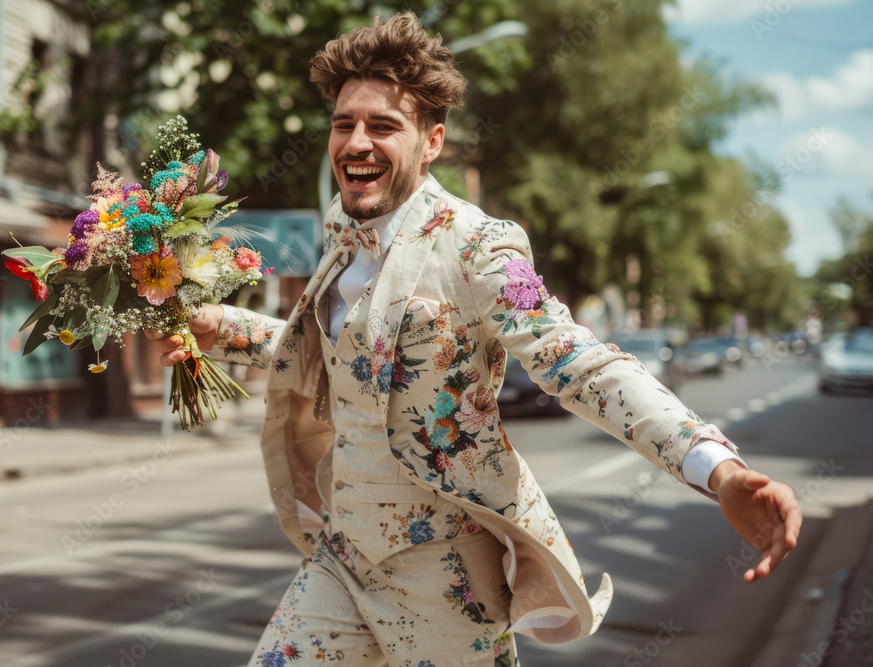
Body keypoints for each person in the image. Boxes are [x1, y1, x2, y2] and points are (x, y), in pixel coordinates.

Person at [146, 11, 801, 666]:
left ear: (431, 142)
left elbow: (579, 363)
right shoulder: (343, 236)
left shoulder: (478, 245)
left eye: (382, 126)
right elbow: (348, 359)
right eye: (344, 123)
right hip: (343, 558)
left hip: (444, 575)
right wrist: (217, 325)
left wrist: (718, 469)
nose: (356, 141)